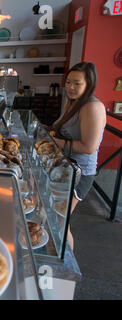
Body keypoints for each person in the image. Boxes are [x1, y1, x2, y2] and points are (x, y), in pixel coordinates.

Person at [50, 61, 106, 251]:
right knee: (54, 218)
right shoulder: (72, 103)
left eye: (77, 83)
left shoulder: (93, 107)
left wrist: (54, 142)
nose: (70, 87)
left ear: (89, 84)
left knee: (60, 223)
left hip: (80, 173)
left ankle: (66, 272)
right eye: (68, 82)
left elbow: (89, 147)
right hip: (65, 168)